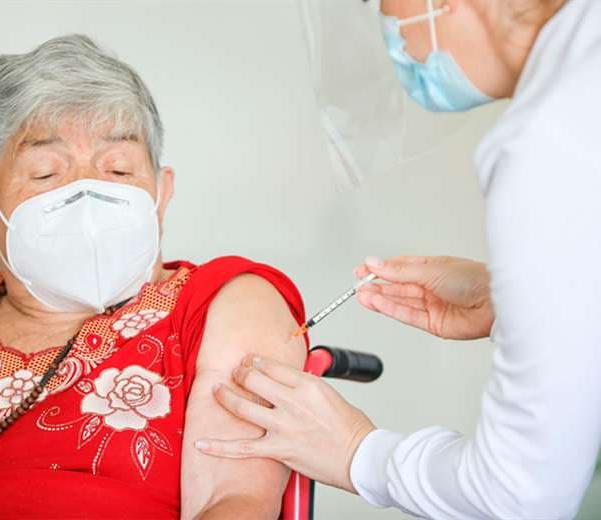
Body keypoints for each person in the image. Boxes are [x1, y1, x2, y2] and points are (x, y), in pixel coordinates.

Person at [0, 34, 308, 519]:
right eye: (45, 173)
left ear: (161, 194)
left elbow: (234, 502)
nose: (87, 195)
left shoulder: (223, 304)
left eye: (119, 170)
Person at [195, 1, 601, 518]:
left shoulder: (550, 142)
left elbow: (520, 495)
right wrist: (511, 303)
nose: (388, 32)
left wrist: (355, 451)